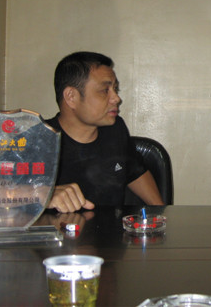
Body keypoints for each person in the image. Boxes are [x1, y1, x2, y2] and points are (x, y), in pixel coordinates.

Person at [47, 51, 164, 212]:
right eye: (105, 90)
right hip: (59, 228)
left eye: (115, 89)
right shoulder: (38, 139)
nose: (116, 98)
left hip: (111, 228)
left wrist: (161, 212)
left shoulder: (115, 129)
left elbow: (135, 173)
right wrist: (41, 195)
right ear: (71, 97)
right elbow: (10, 193)